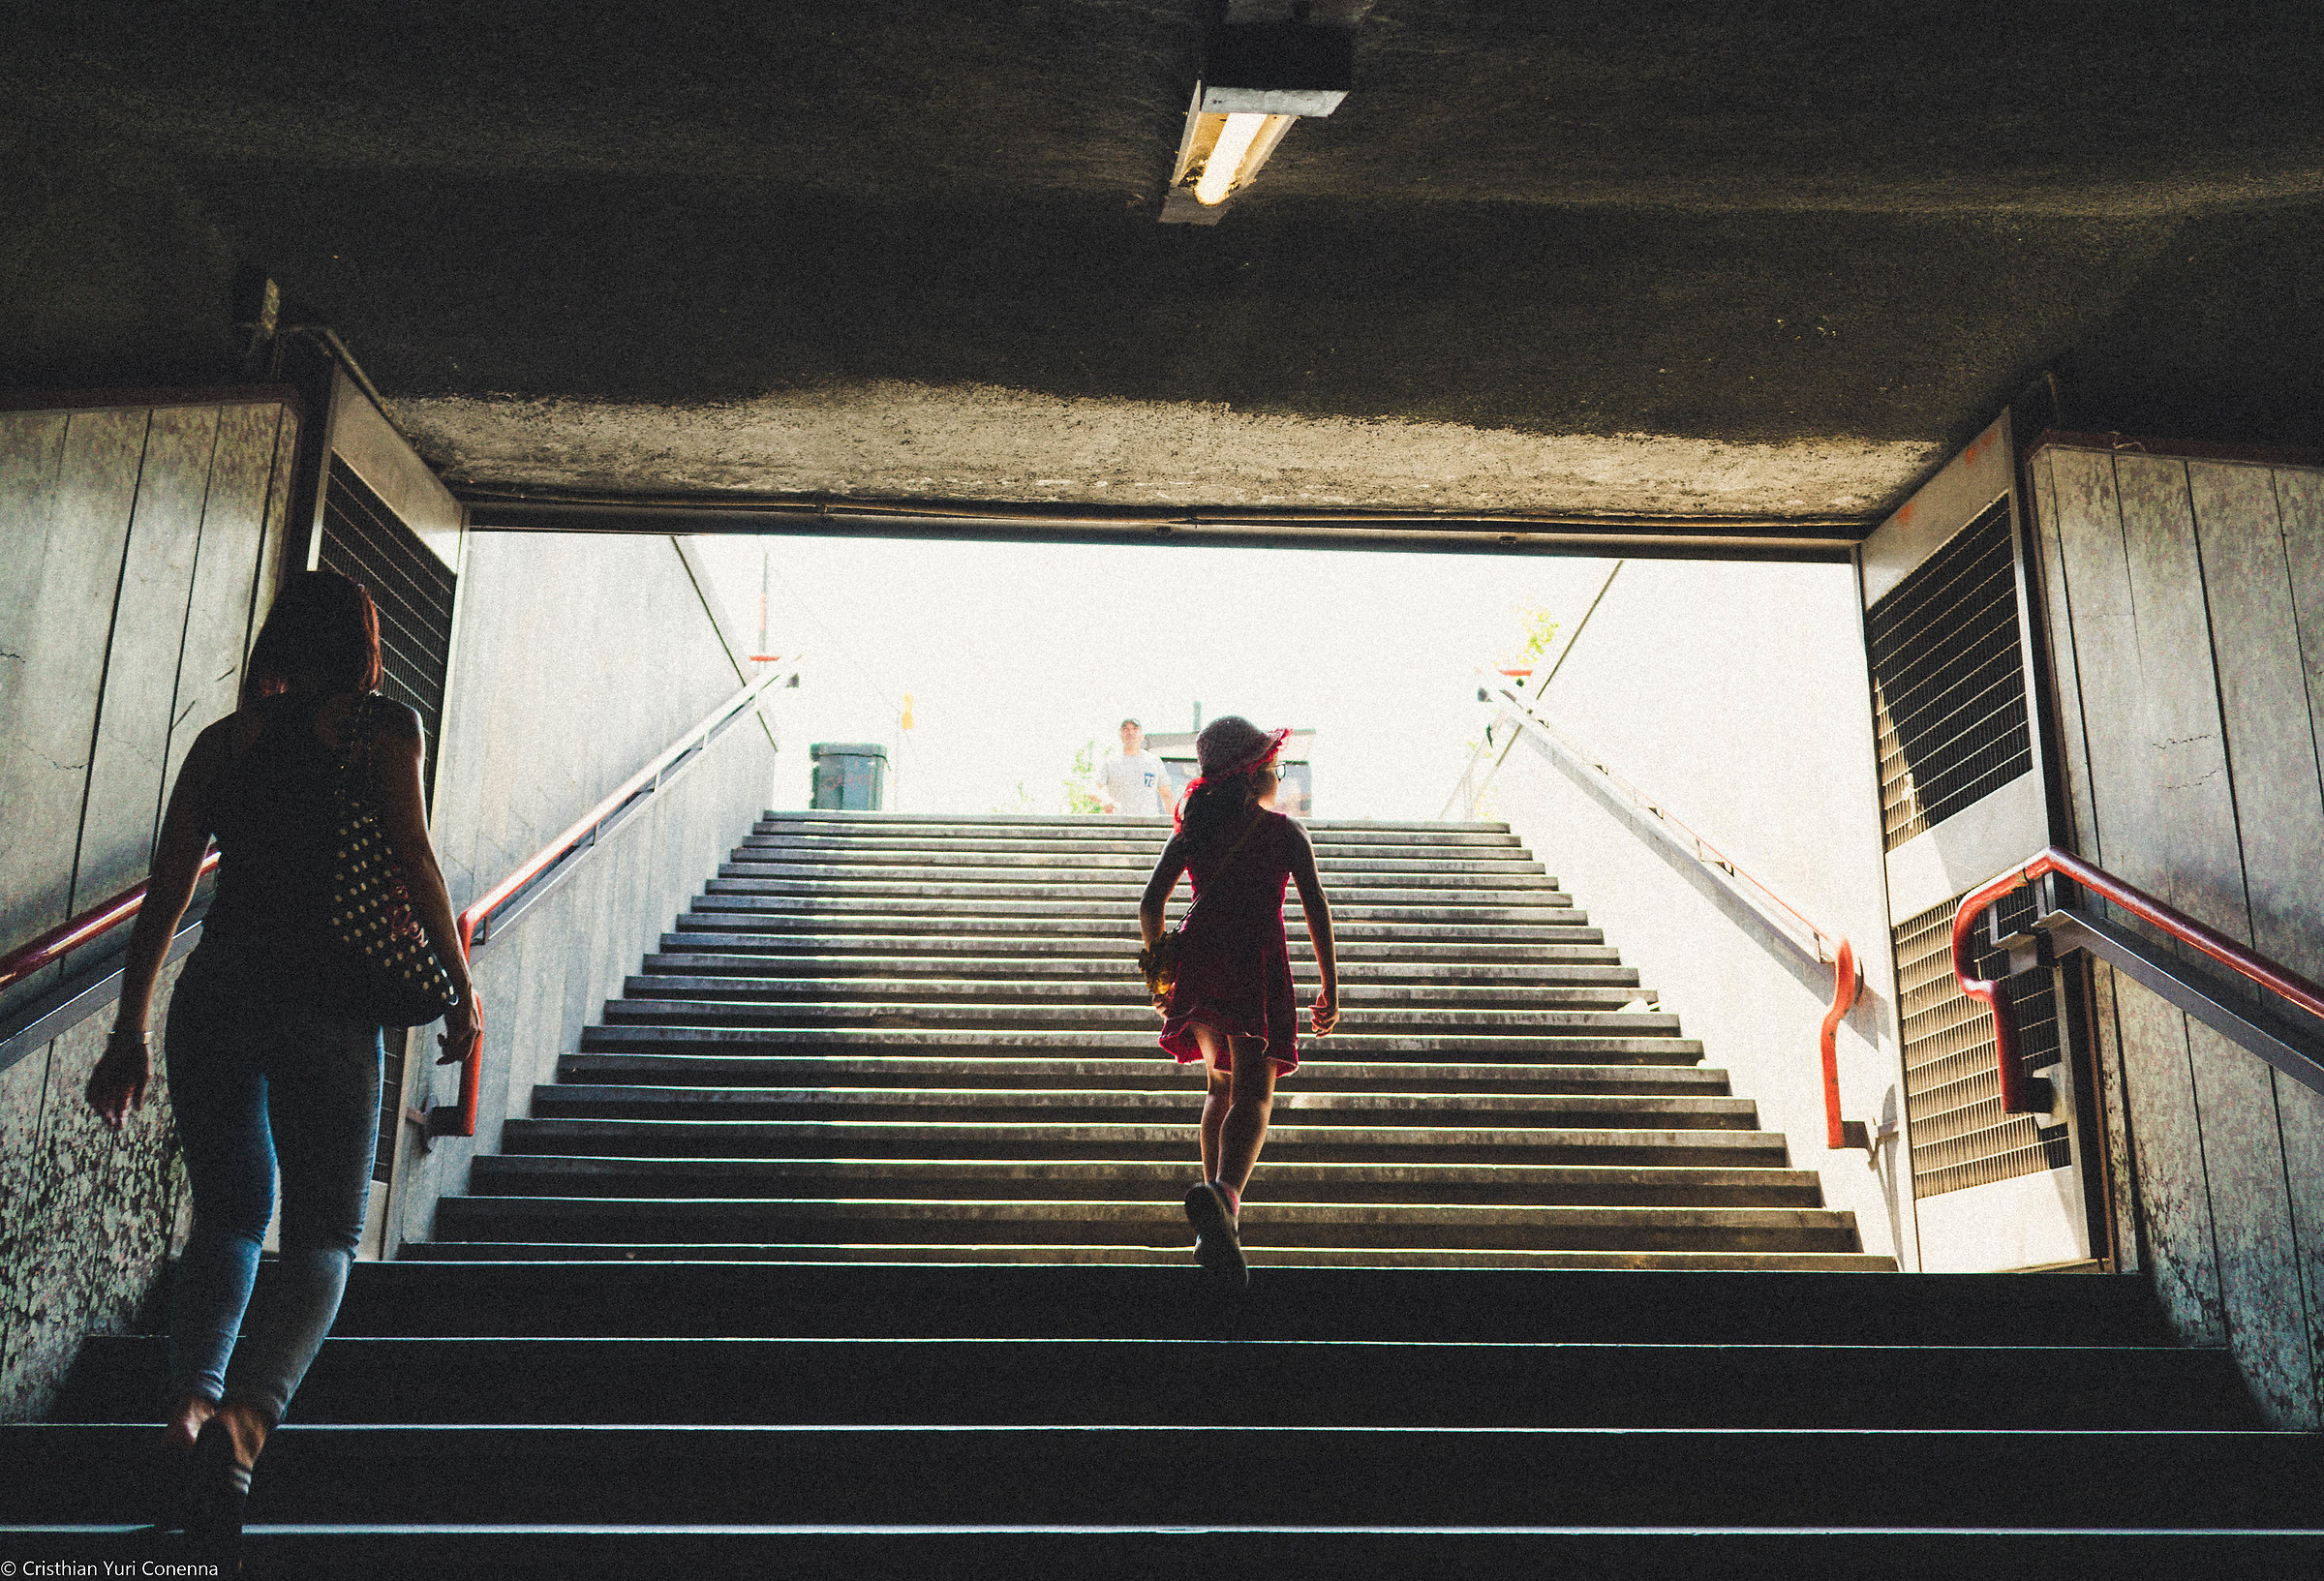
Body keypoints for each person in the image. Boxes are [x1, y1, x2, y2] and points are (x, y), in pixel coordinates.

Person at [82, 569, 483, 1566]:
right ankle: (244, 1431)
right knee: (323, 1240)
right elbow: (416, 854)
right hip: (333, 1008)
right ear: (363, 644)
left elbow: (167, 896)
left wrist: (129, 1028)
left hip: (218, 997)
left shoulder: (224, 742)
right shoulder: (387, 727)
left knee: (226, 1213)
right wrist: (459, 987)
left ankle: (185, 1413)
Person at [1139, 714, 1338, 1285]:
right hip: (1255, 963)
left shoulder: (1192, 832)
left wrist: (1162, 976)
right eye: (1273, 766)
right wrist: (1330, 982)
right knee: (1255, 1093)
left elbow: (1151, 906)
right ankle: (1224, 1200)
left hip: (1201, 966)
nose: (1279, 773)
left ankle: (1213, 1226)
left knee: (1219, 1088)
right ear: (1253, 778)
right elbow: (1315, 909)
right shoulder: (1284, 833)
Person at [1097, 717, 1176, 817]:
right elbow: (1093, 789)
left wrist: (1176, 824)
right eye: (1125, 729)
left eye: (1135, 729)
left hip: (1148, 824)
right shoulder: (1110, 761)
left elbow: (1166, 795)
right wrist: (1105, 799)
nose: (1130, 733)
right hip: (1118, 824)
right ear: (1120, 735)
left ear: (1142, 736)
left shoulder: (1154, 761)